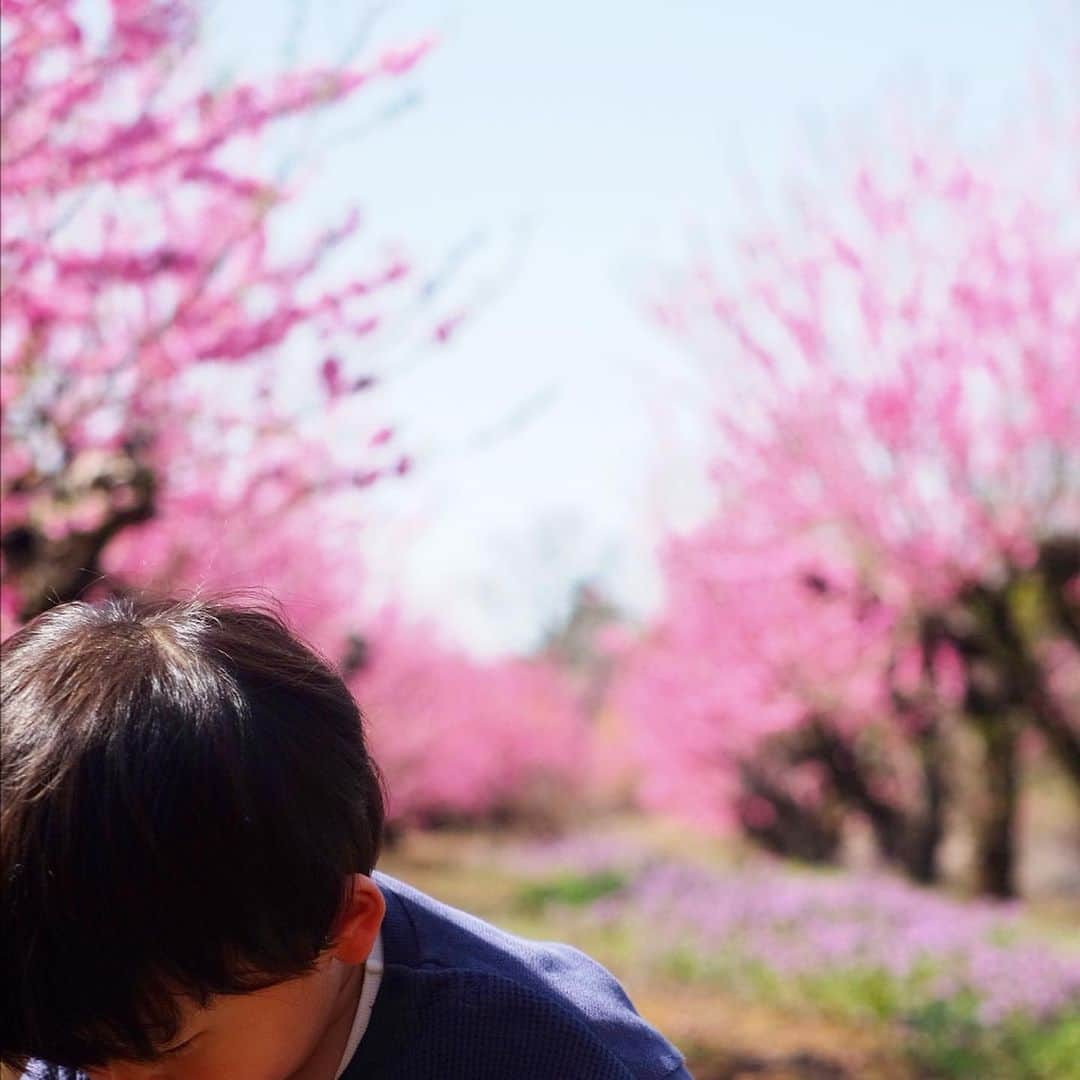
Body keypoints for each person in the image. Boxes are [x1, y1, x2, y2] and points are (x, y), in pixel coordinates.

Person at [2, 595, 692, 1080]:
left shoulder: (537, 1050)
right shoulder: (88, 992)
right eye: (76, 1054)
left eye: (171, 1051)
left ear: (343, 924)